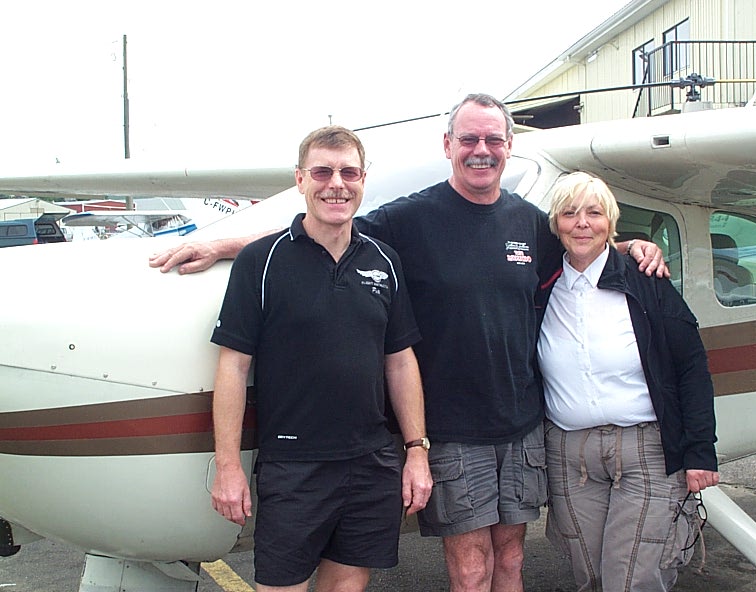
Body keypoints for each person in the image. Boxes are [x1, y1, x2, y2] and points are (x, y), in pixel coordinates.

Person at [151, 94, 668, 592]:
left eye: (493, 138)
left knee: (511, 558)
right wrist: (219, 243)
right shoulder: (409, 218)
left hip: (521, 426)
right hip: (454, 429)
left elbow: (580, 247)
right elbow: (327, 227)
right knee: (470, 570)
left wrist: (628, 245)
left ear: (509, 144)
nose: (481, 150)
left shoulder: (527, 222)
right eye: (468, 139)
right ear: (448, 145)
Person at [209, 125, 432, 592]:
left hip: (370, 462)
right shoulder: (261, 262)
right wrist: (228, 466)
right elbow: (233, 366)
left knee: (347, 585)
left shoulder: (384, 261)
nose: (337, 183)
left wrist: (416, 452)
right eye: (323, 171)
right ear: (300, 179)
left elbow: (400, 360)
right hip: (294, 465)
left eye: (349, 172)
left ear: (363, 179)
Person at [536, 172, 719, 592]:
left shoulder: (645, 279)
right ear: (556, 224)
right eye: (569, 213)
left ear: (611, 221)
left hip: (645, 448)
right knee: (591, 574)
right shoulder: (541, 284)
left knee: (631, 578)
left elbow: (690, 365)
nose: (582, 223)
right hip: (569, 451)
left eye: (594, 213)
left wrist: (700, 451)